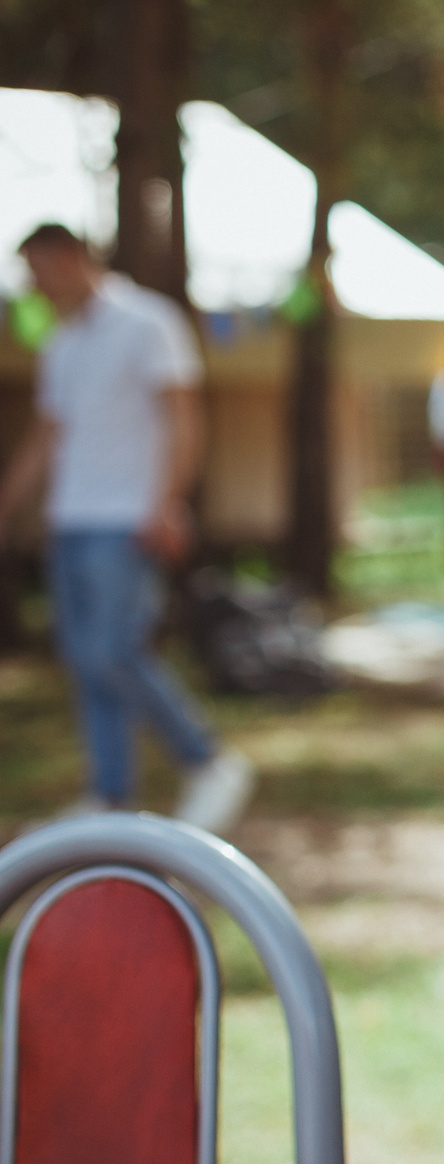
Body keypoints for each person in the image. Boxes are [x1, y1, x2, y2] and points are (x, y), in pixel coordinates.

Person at [0, 224, 255, 831]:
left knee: (115, 652)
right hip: (71, 519)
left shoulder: (148, 322)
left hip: (127, 518)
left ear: (69, 258)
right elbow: (48, 435)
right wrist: (10, 503)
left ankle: (208, 759)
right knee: (84, 661)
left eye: (38, 271)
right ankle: (109, 794)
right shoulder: (61, 342)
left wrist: (165, 503)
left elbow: (184, 419)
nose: (34, 287)